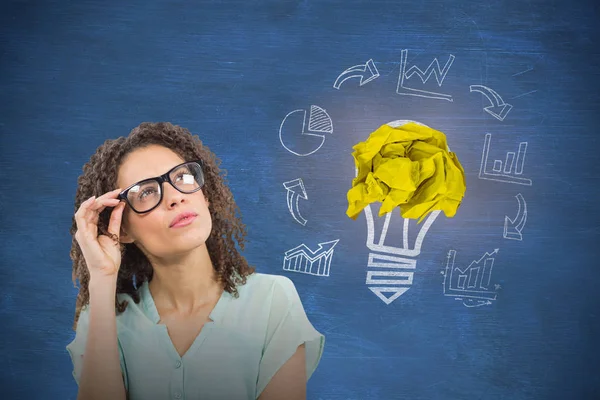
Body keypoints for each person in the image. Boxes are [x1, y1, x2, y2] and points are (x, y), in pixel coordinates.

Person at [66, 122, 325, 400]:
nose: (176, 197)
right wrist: (103, 277)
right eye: (146, 192)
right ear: (123, 228)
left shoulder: (273, 300)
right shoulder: (102, 319)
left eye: (182, 177)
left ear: (205, 195)